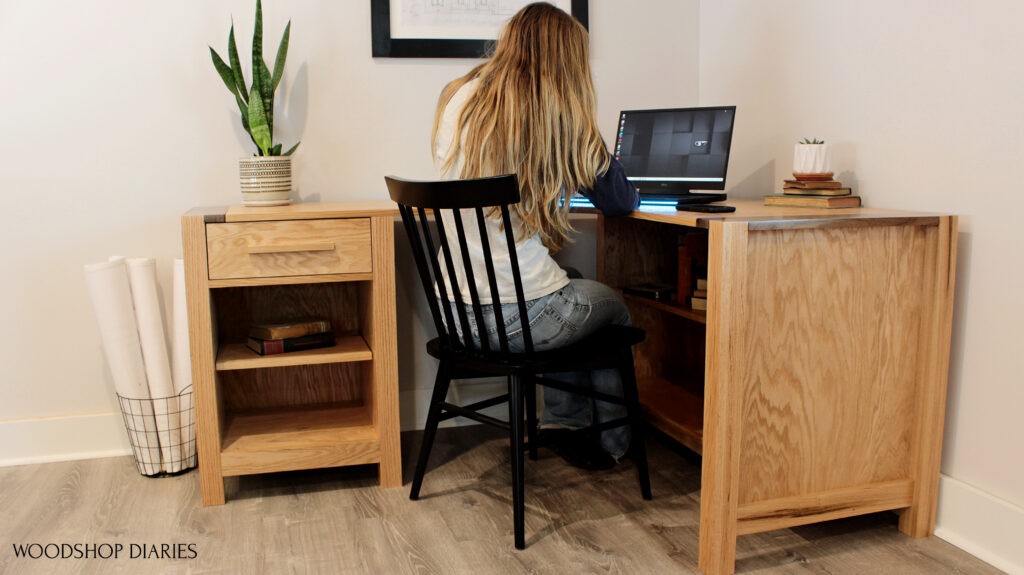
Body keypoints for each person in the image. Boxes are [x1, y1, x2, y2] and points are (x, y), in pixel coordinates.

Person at [431, 2, 639, 469]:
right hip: (519, 320)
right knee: (615, 309)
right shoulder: (559, 112)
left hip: (456, 313)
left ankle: (564, 421)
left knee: (571, 276)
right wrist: (589, 128)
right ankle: (613, 444)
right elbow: (619, 200)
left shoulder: (459, 96)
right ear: (568, 60)